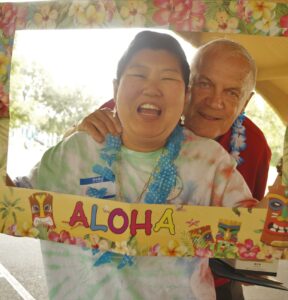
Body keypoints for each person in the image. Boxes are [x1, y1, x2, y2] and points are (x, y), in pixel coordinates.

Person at [15, 31, 257, 300]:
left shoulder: (217, 161)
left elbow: (256, 231)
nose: (214, 101)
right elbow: (13, 203)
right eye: (205, 84)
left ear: (183, 93)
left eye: (167, 78)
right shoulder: (85, 143)